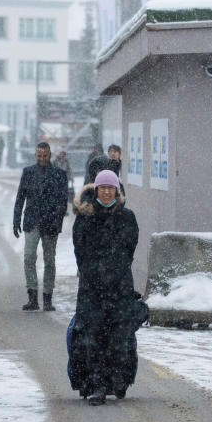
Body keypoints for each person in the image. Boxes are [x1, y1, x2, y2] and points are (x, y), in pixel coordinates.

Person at [70, 169, 139, 405]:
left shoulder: (127, 217)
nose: (107, 192)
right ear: (96, 190)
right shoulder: (86, 217)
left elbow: (129, 249)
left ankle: (116, 379)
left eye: (111, 188)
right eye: (103, 188)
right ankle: (97, 384)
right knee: (93, 337)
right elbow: (80, 250)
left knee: (118, 337)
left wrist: (114, 271)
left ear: (117, 191)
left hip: (119, 287)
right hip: (92, 289)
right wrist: (94, 272)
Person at [12, 142, 69, 311]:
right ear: (35, 155)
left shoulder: (59, 175)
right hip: (31, 221)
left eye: (45, 155)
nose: (42, 158)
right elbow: (20, 197)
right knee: (29, 257)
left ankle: (48, 297)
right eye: (39, 155)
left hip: (50, 223)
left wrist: (57, 220)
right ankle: (32, 296)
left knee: (49, 260)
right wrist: (16, 220)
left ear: (49, 155)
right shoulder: (28, 173)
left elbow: (62, 201)